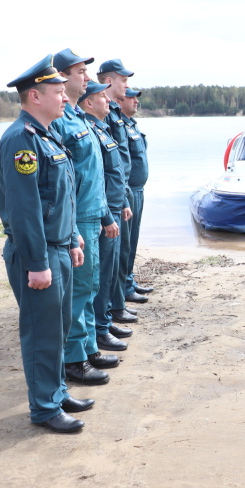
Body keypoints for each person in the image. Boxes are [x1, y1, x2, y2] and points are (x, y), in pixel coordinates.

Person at [0, 55, 89, 433]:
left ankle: (57, 391)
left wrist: (74, 238)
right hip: (38, 253)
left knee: (59, 327)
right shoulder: (22, 140)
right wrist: (37, 262)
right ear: (35, 96)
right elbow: (25, 210)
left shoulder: (47, 135)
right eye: (58, 91)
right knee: (42, 332)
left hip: (58, 247)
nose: (65, 98)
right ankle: (46, 409)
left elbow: (60, 196)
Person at [52, 49, 120, 381]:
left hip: (94, 214)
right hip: (78, 218)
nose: (88, 78)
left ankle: (89, 347)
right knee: (78, 291)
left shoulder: (79, 117)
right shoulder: (60, 120)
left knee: (90, 286)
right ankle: (73, 360)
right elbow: (63, 181)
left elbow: (93, 176)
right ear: (63, 77)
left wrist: (106, 214)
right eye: (81, 72)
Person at [79, 81, 133, 351]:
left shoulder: (100, 128)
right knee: (97, 277)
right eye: (102, 96)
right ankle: (99, 329)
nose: (108, 101)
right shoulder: (87, 130)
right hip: (101, 214)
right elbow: (94, 180)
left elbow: (114, 171)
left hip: (110, 208)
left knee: (107, 272)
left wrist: (121, 201)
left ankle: (104, 320)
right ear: (88, 103)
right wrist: (106, 215)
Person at [97, 59, 142, 328]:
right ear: (110, 81)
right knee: (109, 262)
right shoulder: (107, 116)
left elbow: (120, 161)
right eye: (124, 80)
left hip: (122, 195)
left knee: (119, 256)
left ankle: (115, 306)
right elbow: (106, 166)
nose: (127, 86)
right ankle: (110, 312)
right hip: (113, 198)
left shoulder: (114, 114)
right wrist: (123, 197)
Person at [118, 87, 152, 303]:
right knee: (125, 243)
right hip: (128, 192)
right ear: (120, 101)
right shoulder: (118, 125)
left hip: (138, 190)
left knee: (133, 240)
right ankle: (124, 287)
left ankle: (128, 280)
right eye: (131, 97)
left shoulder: (131, 125)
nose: (135, 101)